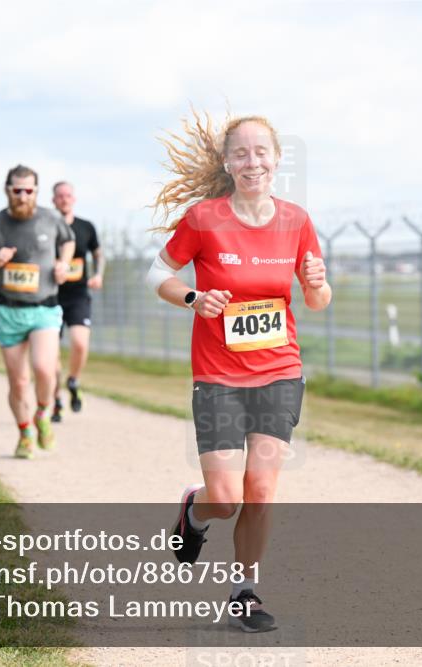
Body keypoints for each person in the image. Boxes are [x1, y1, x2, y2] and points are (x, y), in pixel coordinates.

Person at [148, 112, 331, 632]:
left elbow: (317, 301)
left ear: (276, 159)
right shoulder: (204, 218)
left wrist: (317, 282)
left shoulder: (296, 220)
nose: (253, 161)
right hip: (219, 376)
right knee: (225, 499)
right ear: (228, 162)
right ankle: (193, 512)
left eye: (262, 152)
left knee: (262, 490)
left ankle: (244, 591)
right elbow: (157, 272)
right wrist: (193, 298)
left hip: (279, 370)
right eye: (242, 153)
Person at [0, 165, 76, 459]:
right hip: (9, 310)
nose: (23, 196)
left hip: (44, 308)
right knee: (18, 381)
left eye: (29, 190)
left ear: (37, 192)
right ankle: (25, 431)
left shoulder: (50, 219)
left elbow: (68, 241)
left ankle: (43, 412)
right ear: (8, 190)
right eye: (17, 190)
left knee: (44, 367)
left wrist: (63, 264)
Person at [50, 181, 105, 422]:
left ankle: (73, 380)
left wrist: (99, 274)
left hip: (78, 295)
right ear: (53, 200)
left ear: (74, 198)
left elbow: (99, 254)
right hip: (50, 296)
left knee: (80, 343)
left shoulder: (85, 227)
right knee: (50, 354)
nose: (64, 199)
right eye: (59, 196)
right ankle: (56, 402)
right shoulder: (46, 226)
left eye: (68, 195)